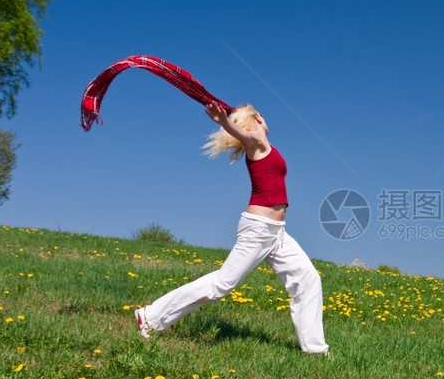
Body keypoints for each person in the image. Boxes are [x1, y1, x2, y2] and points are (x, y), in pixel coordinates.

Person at [134, 101, 329, 355]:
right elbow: (245, 135)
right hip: (258, 230)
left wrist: (228, 121)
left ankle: (315, 350)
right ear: (258, 117)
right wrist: (225, 122)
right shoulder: (256, 142)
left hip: (277, 233)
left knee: (308, 279)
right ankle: (150, 316)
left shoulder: (264, 145)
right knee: (220, 286)